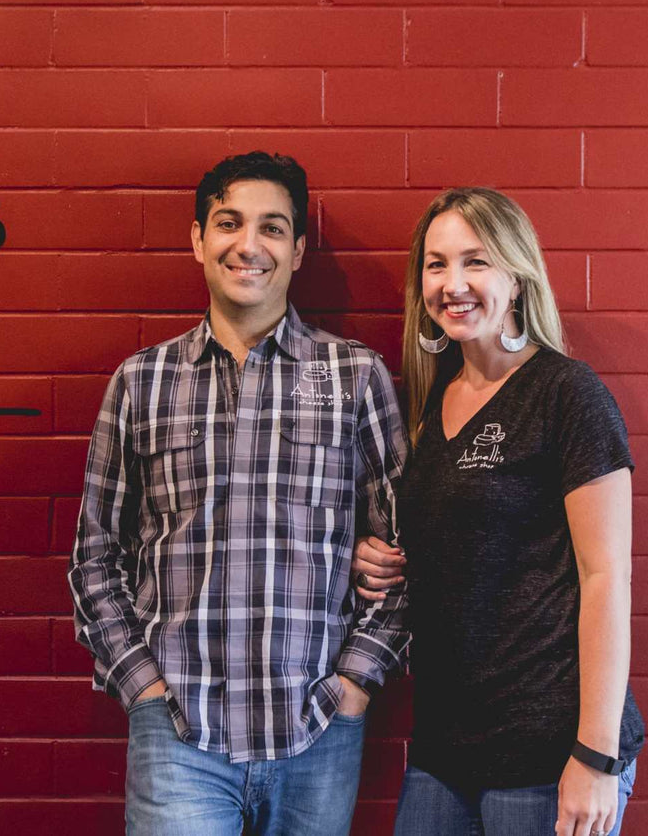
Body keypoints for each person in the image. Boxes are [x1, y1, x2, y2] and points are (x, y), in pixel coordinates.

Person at [70, 151, 409, 836]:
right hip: (180, 738)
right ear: (198, 240)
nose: (249, 244)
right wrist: (142, 687)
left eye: (273, 227)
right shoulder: (142, 383)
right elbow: (94, 556)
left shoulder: (355, 378)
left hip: (318, 729)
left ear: (298, 248)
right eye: (228, 223)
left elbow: (410, 549)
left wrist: (356, 683)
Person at [353, 187, 643, 836]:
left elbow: (606, 578)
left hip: (548, 748)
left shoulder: (567, 394)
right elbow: (452, 550)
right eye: (436, 265)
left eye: (475, 262)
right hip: (445, 748)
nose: (452, 283)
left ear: (517, 277)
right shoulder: (431, 405)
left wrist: (594, 756)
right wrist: (376, 556)